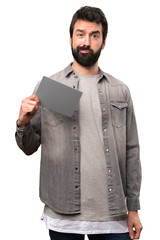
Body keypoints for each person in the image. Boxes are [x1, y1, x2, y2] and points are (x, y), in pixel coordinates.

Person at [15, 6, 143, 240]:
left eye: (95, 35)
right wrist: (22, 123)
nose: (87, 41)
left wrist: (133, 208)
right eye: (80, 34)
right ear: (71, 38)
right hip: (63, 213)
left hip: (112, 215)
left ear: (103, 42)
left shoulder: (119, 91)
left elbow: (131, 151)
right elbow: (29, 147)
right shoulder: (51, 88)